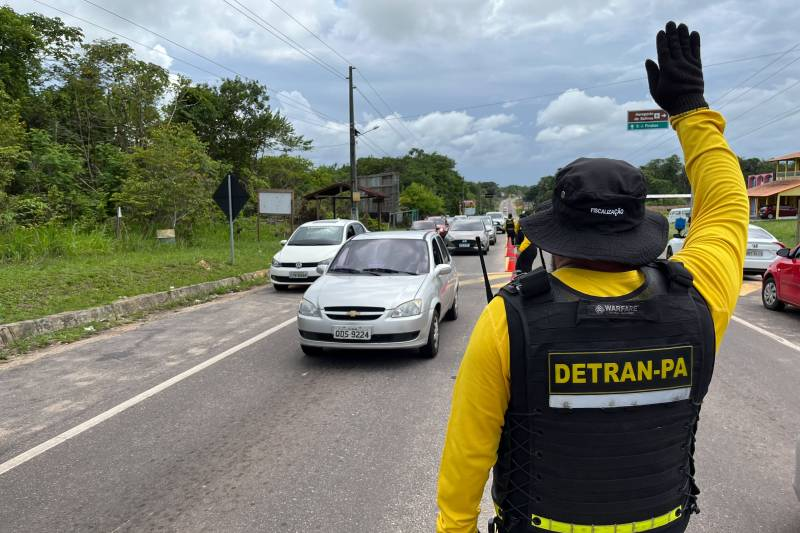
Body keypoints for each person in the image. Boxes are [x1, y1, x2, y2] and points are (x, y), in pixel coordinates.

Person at [436, 21, 748, 533]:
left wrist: (455, 528)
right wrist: (690, 109)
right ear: (640, 232)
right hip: (664, 521)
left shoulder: (509, 320)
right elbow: (727, 209)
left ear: (555, 239)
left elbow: (470, 448)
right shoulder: (699, 299)